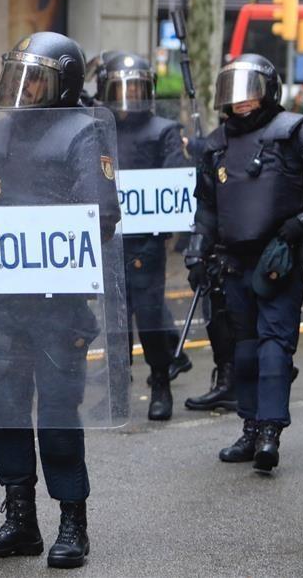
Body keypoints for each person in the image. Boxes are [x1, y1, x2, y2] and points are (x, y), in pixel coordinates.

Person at [0, 31, 122, 569]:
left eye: (36, 77)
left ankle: (72, 521)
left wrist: (43, 237)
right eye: (18, 75)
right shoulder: (0, 134)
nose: (24, 87)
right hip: (7, 301)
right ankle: (20, 518)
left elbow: (101, 215)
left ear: (63, 82)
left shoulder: (83, 132)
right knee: (6, 408)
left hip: (59, 301)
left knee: (59, 410)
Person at [188, 53, 303, 471]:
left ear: (268, 92)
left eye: (250, 92)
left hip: (279, 257)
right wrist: (196, 250)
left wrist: (300, 225)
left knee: (274, 347)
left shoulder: (293, 131)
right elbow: (207, 207)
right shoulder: (216, 144)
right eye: (234, 93)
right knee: (243, 351)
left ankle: (269, 433)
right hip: (232, 262)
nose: (241, 102)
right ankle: (249, 427)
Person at [95, 52, 192, 420]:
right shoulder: (98, 130)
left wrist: (161, 234)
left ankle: (161, 383)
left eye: (136, 87)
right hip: (107, 239)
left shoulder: (162, 130)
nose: (129, 95)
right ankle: (117, 389)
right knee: (115, 323)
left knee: (150, 318)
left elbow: (173, 183)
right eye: (121, 88)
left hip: (146, 241)